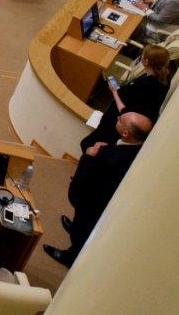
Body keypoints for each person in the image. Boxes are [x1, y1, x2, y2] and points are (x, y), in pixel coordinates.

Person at [44, 112, 152, 266]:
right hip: (98, 196)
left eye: (121, 120)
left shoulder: (116, 160)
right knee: (79, 223)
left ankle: (70, 256)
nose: (117, 118)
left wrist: (89, 156)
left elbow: (90, 178)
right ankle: (74, 227)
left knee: (82, 230)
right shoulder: (134, 147)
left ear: (126, 133)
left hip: (92, 201)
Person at [81, 45, 169, 152]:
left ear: (146, 61)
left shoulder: (144, 85)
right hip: (130, 123)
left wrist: (114, 91)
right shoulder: (164, 79)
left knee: (86, 144)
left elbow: (124, 111)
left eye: (142, 56)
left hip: (118, 123)